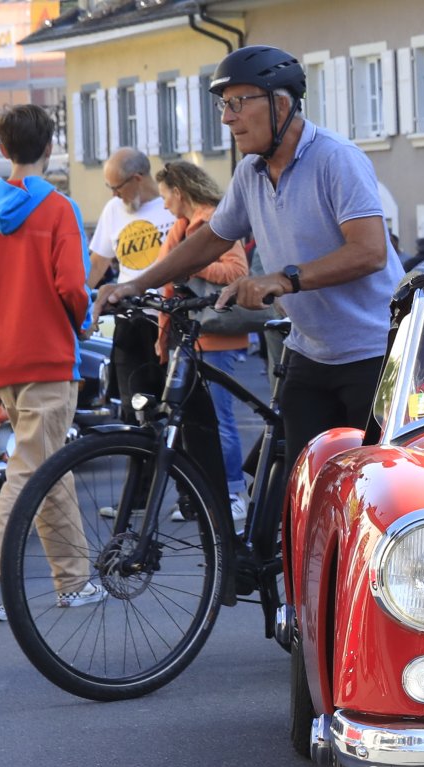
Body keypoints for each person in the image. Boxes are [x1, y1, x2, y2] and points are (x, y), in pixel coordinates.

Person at [94, 44, 403, 482]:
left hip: (372, 352)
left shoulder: (336, 159)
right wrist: (135, 284)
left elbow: (369, 251)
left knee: (372, 490)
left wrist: (285, 279)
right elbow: (210, 240)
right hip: (310, 352)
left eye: (238, 103)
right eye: (224, 105)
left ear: (281, 104)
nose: (226, 118)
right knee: (299, 489)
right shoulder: (250, 172)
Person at [0, 104, 100, 621]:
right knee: (30, 471)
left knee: (46, 467)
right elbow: (73, 286)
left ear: (2, 149)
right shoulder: (59, 209)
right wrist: (84, 321)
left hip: (2, 361)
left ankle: (74, 582)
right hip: (48, 358)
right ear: (50, 148)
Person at [154, 160, 250, 524]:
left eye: (166, 196)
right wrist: (163, 337)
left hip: (215, 335)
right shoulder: (180, 227)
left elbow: (237, 272)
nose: (165, 204)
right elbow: (164, 278)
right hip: (189, 335)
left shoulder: (216, 221)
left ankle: (233, 492)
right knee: (193, 423)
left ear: (179, 192)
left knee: (220, 419)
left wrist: (193, 263)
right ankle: (204, 497)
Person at [91, 147, 177, 413]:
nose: (114, 195)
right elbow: (98, 263)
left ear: (137, 178)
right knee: (134, 408)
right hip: (130, 320)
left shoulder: (171, 205)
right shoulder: (113, 210)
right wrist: (77, 302)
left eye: (117, 187)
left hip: (169, 320)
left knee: (175, 406)